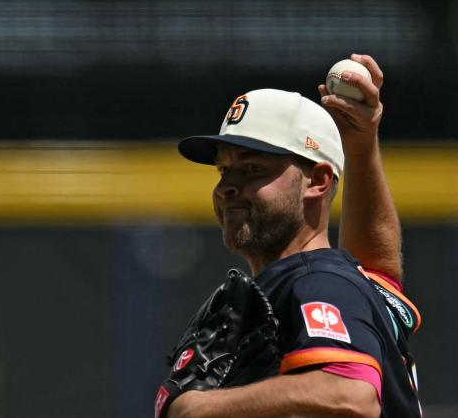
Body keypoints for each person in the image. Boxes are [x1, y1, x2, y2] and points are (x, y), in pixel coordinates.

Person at [165, 55, 422, 417]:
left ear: (318, 181)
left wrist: (199, 408)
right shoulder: (350, 283)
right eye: (224, 170)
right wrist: (361, 148)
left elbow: (350, 394)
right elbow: (378, 271)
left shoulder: (317, 281)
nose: (227, 188)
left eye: (252, 168)